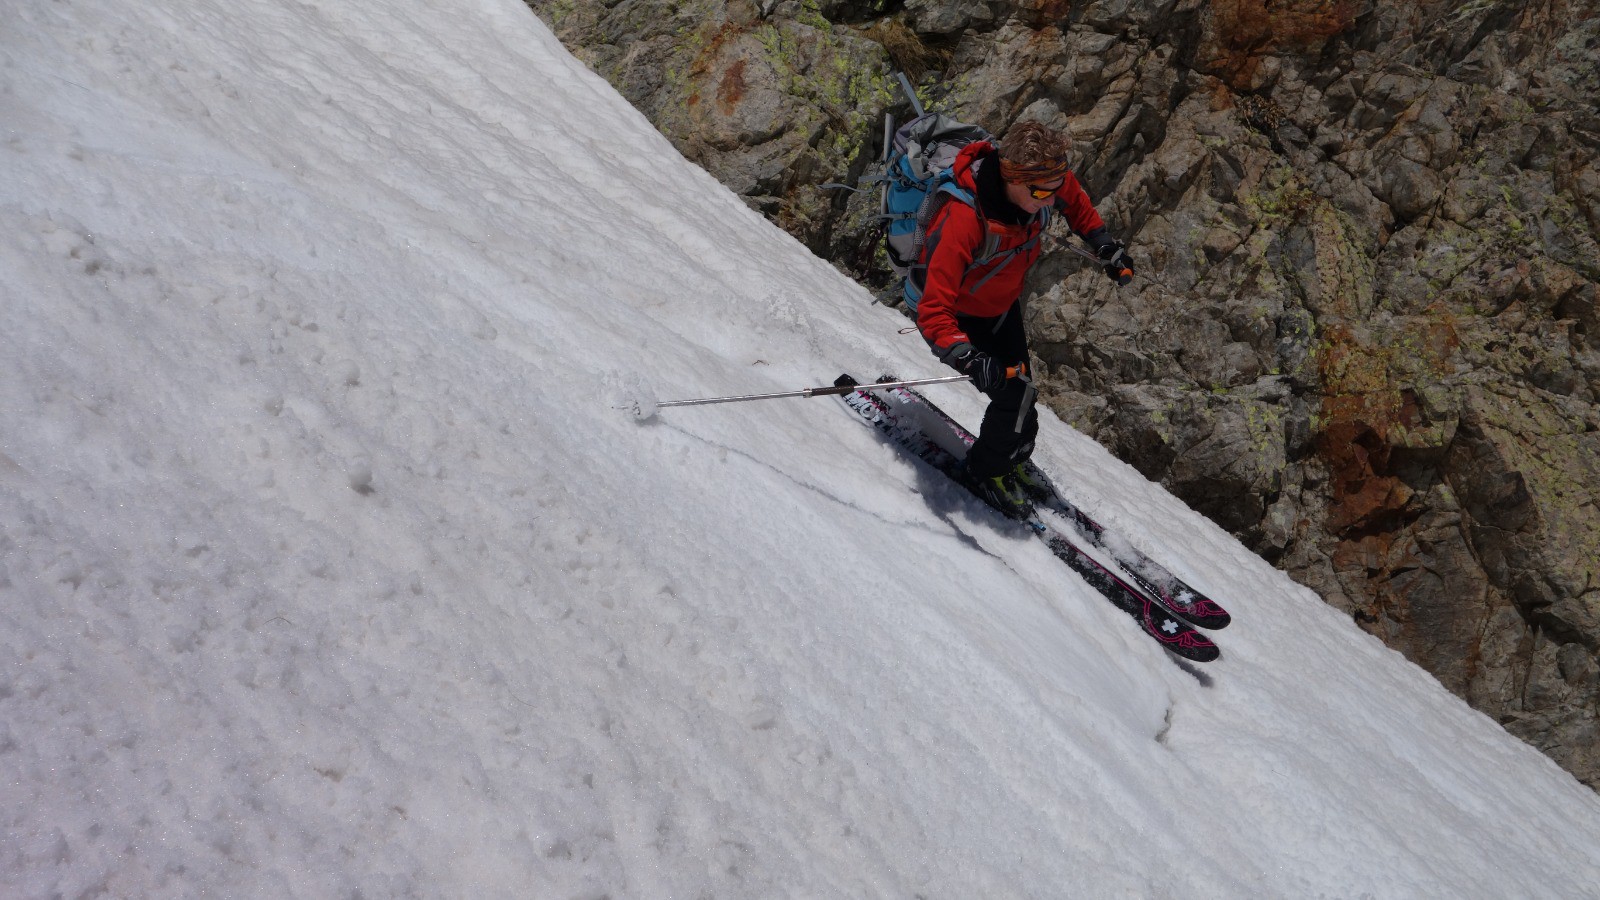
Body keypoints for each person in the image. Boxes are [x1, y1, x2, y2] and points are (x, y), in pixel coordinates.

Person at [912, 120, 1134, 518]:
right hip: (964, 322)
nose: (1049, 201)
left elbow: (1073, 198)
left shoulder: (1040, 181)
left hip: (1000, 308)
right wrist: (966, 356)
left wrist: (1103, 243)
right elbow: (933, 309)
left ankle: (1013, 456)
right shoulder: (963, 219)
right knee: (1012, 394)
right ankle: (985, 472)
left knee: (1024, 391)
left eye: (1052, 190)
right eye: (1040, 194)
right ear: (1011, 177)